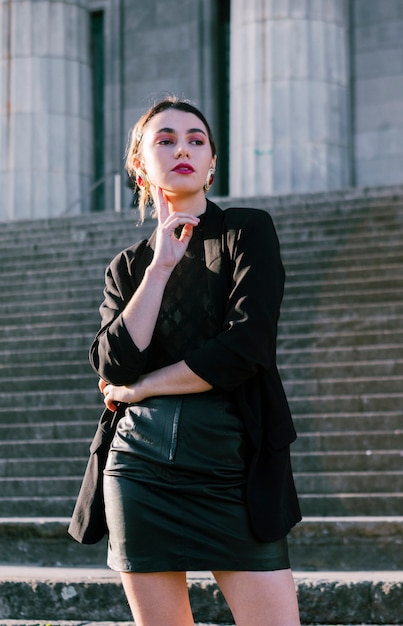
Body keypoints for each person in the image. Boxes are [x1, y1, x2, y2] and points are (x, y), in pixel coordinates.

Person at [90, 96, 301, 626]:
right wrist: (159, 268)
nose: (182, 148)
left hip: (233, 467)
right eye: (165, 140)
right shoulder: (127, 268)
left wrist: (144, 388)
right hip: (139, 469)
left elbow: (247, 346)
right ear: (140, 165)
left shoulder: (247, 231)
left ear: (212, 163)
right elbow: (113, 365)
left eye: (196, 139)